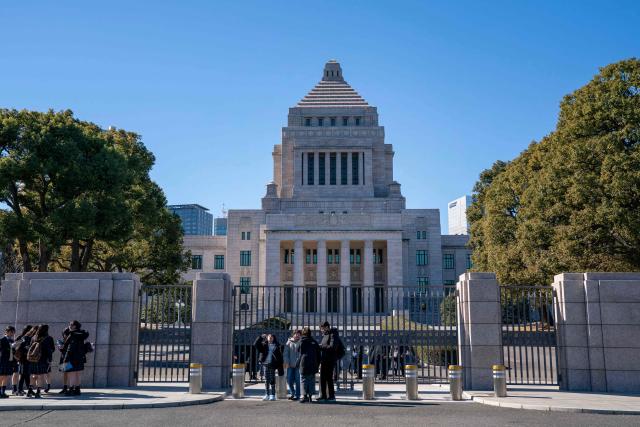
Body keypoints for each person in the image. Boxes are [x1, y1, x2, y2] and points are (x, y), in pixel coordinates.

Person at [60, 320, 89, 396]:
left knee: (71, 373)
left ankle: (71, 389)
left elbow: (70, 347)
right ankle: (77, 389)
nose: (69, 326)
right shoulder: (82, 333)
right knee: (78, 373)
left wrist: (65, 358)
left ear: (74, 326)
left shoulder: (72, 334)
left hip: (72, 357)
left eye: (70, 325)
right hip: (81, 357)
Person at [28, 324, 55, 398]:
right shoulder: (48, 338)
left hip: (33, 359)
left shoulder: (33, 337)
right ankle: (38, 392)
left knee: (33, 375)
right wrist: (50, 359)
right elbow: (51, 349)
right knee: (40, 376)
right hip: (43, 359)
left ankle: (30, 390)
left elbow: (30, 347)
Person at [253, 333, 283, 401]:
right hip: (265, 364)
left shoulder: (277, 345)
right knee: (266, 380)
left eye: (272, 337)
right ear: (267, 338)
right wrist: (260, 337)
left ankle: (273, 395)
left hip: (272, 364)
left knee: (272, 380)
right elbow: (255, 344)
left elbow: (279, 356)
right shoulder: (264, 345)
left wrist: (279, 366)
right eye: (269, 337)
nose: (270, 338)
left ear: (274, 338)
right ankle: (267, 394)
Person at [318, 321, 341, 402]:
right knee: (322, 378)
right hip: (324, 359)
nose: (321, 330)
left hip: (330, 360)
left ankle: (331, 396)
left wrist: (321, 346)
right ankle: (323, 395)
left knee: (329, 378)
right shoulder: (325, 335)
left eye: (322, 328)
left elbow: (332, 347)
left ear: (327, 327)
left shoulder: (333, 334)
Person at [297, 327, 319, 404]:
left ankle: (304, 396)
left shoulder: (302, 341)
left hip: (304, 363)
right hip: (313, 363)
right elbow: (318, 353)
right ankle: (310, 396)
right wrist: (317, 363)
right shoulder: (314, 342)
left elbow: (298, 350)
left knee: (303, 380)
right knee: (311, 380)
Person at [12, 325, 32, 396]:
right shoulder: (22, 338)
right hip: (23, 359)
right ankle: (20, 390)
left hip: (25, 359)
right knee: (24, 375)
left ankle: (27, 390)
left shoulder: (27, 338)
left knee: (25, 375)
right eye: (31, 330)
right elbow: (15, 348)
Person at [283, 330, 301, 400]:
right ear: (293, 335)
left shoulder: (301, 342)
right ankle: (292, 393)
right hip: (290, 365)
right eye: (296, 334)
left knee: (298, 381)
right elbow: (285, 354)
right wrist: (287, 362)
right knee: (289, 380)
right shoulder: (289, 342)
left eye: (298, 334)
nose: (297, 335)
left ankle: (297, 395)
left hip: (298, 365)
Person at [0, 326, 16, 398]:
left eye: (13, 332)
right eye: (11, 332)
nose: (12, 334)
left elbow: (14, 351)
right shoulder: (2, 340)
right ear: (6, 332)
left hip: (9, 361)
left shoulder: (12, 341)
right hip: (2, 360)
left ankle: (3, 392)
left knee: (6, 376)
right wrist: (9, 347)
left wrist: (15, 347)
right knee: (1, 376)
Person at [57, 327, 71, 394]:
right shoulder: (62, 340)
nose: (65, 335)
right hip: (64, 357)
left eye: (66, 334)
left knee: (71, 373)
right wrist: (60, 346)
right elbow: (61, 349)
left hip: (70, 358)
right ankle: (65, 387)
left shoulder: (71, 340)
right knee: (65, 373)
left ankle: (71, 387)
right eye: (64, 334)